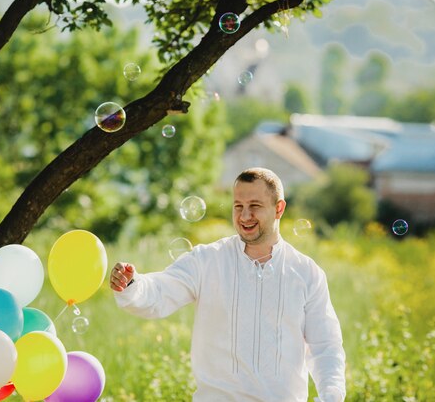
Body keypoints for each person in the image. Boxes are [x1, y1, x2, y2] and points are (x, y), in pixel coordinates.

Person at [110, 167, 346, 401]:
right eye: (238, 206)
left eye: (254, 206)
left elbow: (325, 345)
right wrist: (132, 284)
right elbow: (160, 292)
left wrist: (331, 395)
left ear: (279, 208)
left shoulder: (307, 273)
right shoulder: (207, 260)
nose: (244, 216)